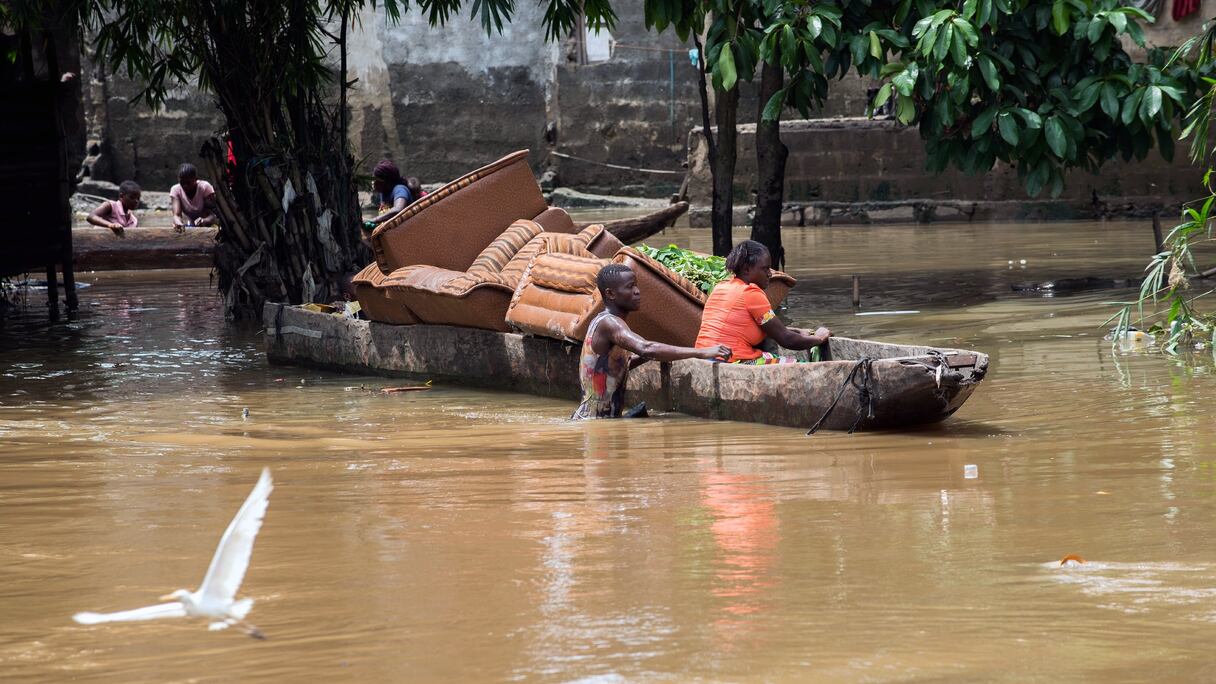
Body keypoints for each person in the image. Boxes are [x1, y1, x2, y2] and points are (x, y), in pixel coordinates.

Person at [574, 264, 731, 419]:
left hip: (601, 422)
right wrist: (702, 352)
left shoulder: (606, 322)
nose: (637, 291)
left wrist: (664, 352)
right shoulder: (610, 323)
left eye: (636, 286)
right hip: (595, 425)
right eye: (630, 287)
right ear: (611, 294)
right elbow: (646, 348)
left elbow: (620, 365)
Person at [695, 239, 831, 364]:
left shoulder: (720, 287)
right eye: (765, 268)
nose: (770, 274)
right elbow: (786, 339)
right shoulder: (751, 293)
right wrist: (819, 338)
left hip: (703, 359)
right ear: (746, 269)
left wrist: (796, 331)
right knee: (800, 366)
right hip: (734, 361)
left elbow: (747, 326)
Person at [364, 160, 413, 232]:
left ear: (384, 181)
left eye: (375, 180)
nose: (372, 182)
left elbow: (398, 209)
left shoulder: (400, 190)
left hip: (406, 232)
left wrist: (374, 220)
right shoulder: (383, 192)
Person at [169, 163, 218, 231]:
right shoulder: (176, 189)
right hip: (190, 222)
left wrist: (205, 221)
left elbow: (214, 214)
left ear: (196, 179)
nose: (185, 186)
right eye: (182, 182)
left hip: (207, 221)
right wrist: (179, 223)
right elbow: (176, 215)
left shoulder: (204, 187)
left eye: (188, 183)